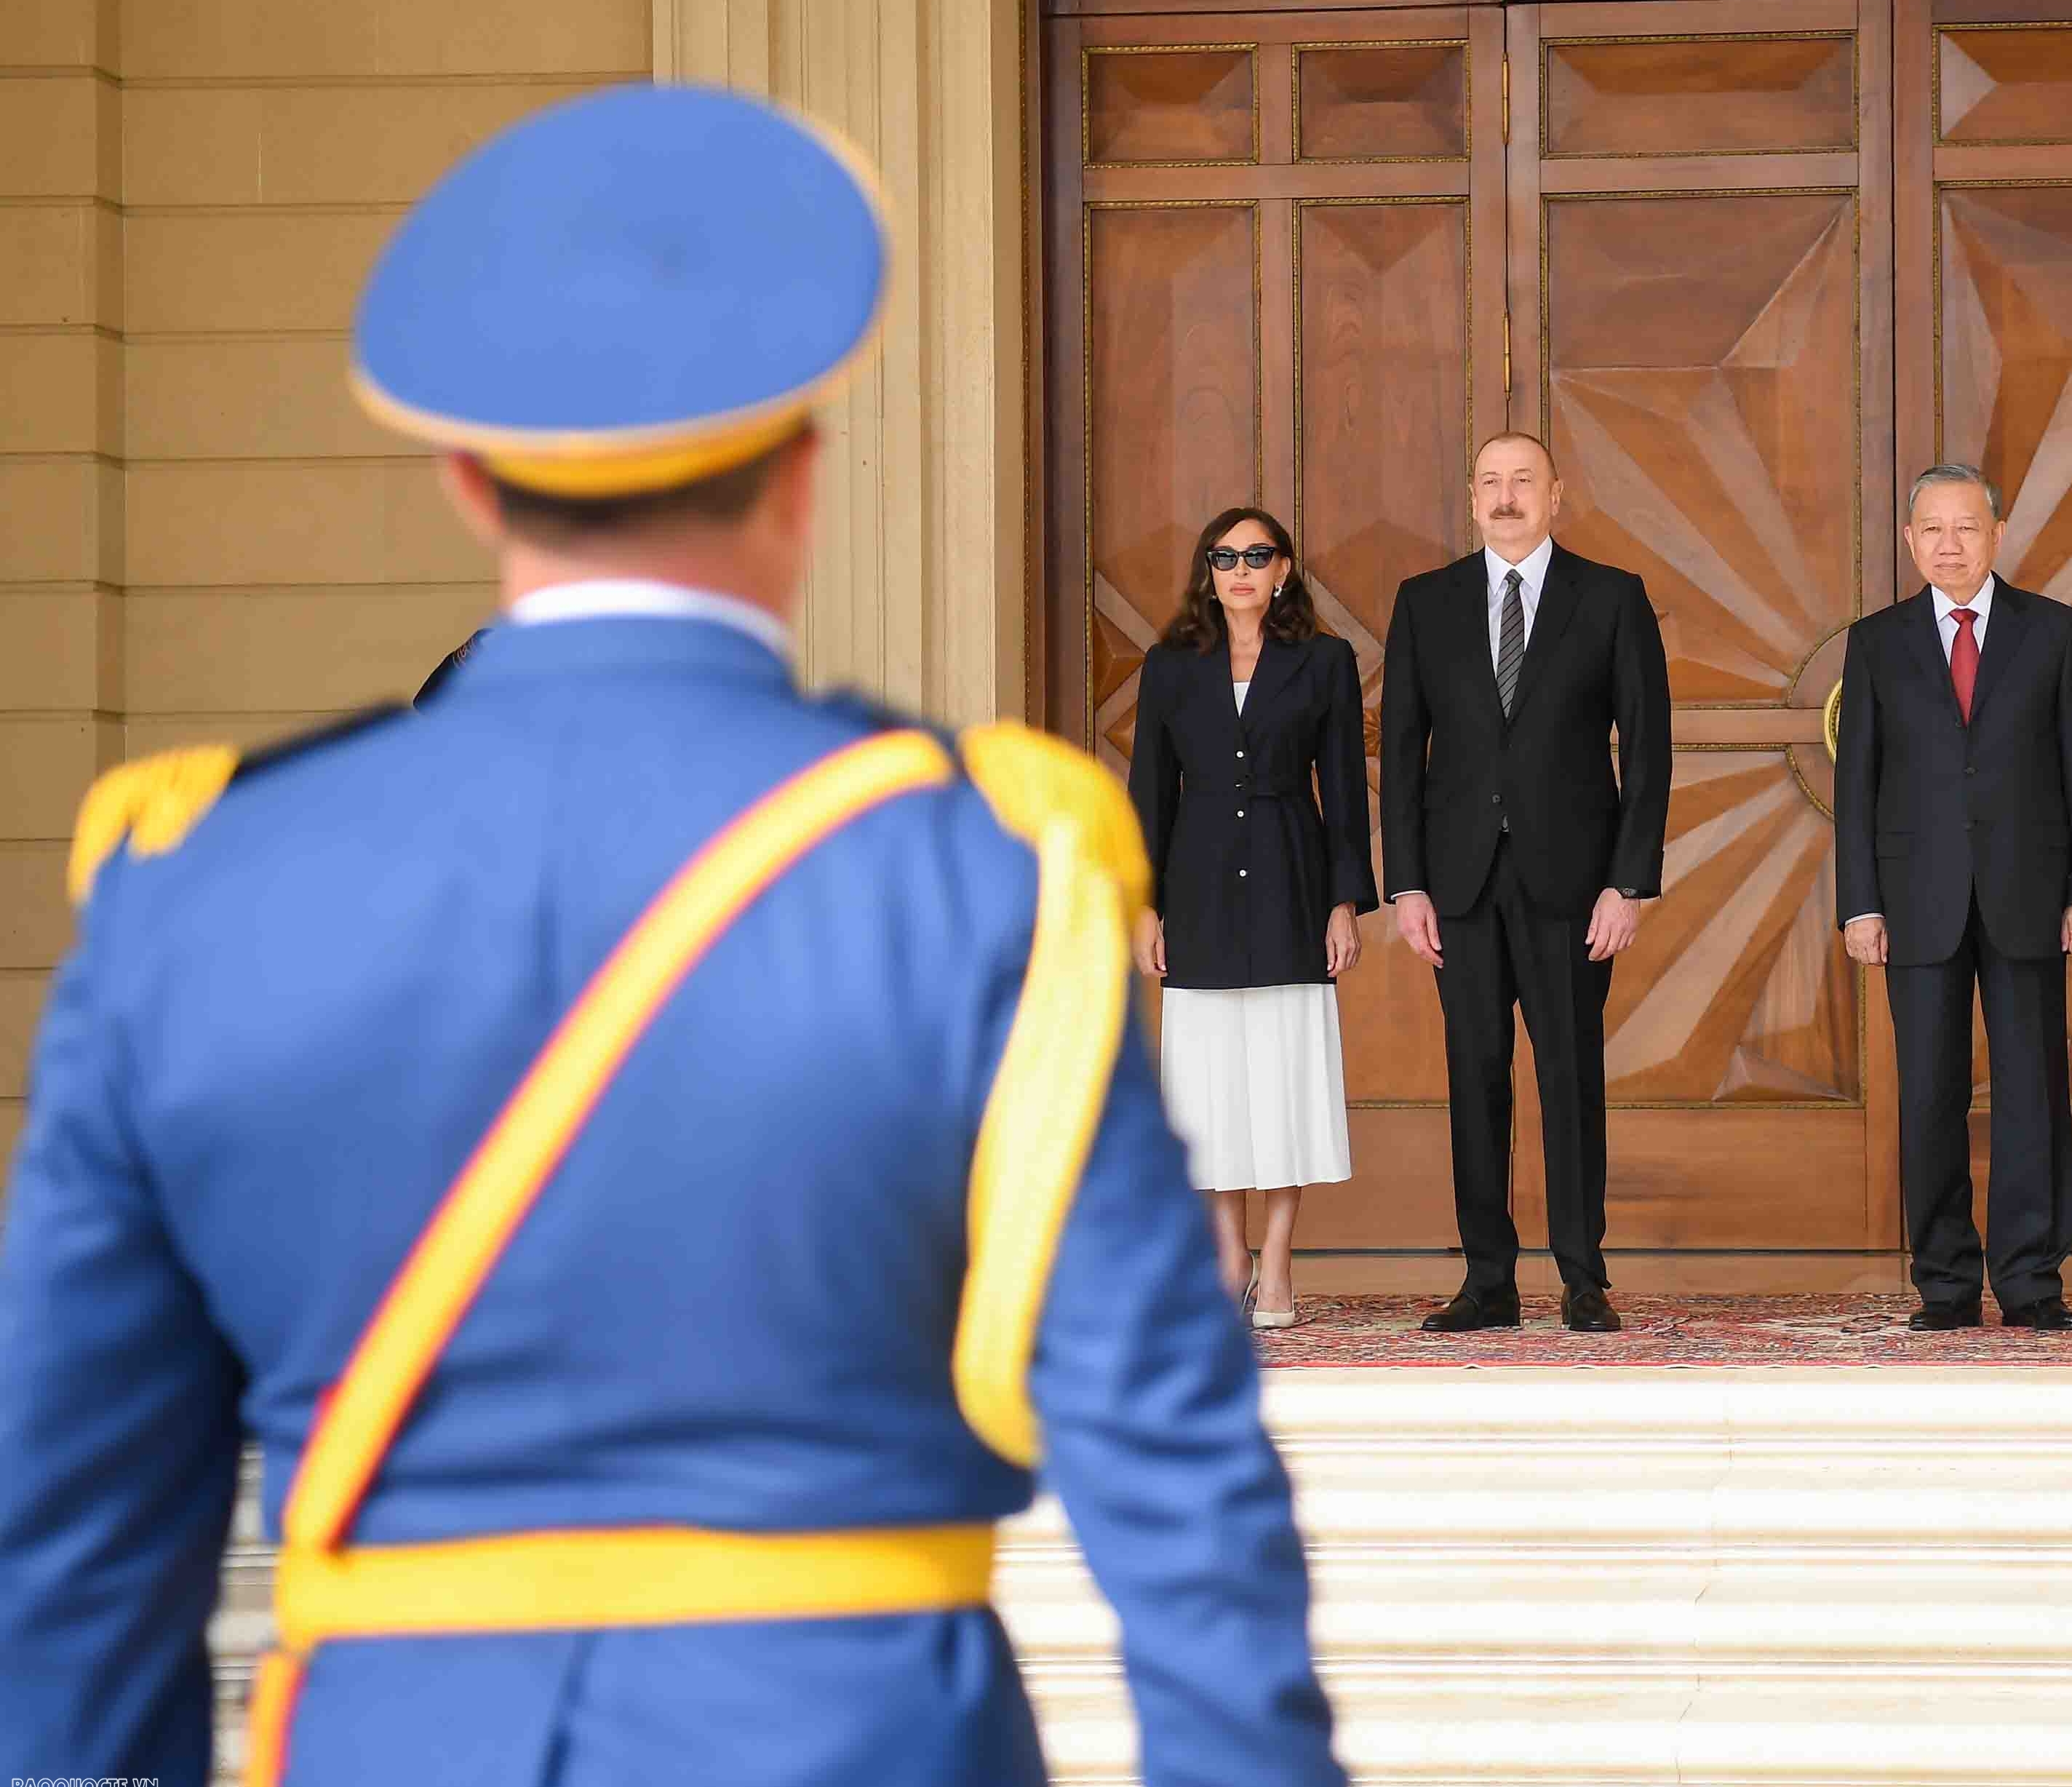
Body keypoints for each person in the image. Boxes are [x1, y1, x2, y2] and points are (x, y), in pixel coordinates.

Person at [0, 87, 1343, 1787]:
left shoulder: (198, 877)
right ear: (803, 473)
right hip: (856, 1732)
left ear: (467, 479)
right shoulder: (974, 867)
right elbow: (1172, 1463)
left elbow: (78, 1520)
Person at [1379, 431, 1671, 1334]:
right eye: (1491, 483)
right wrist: (1407, 886)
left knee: (1570, 1072)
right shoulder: (1425, 603)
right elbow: (1397, 754)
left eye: (1524, 482)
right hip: (1458, 884)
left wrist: (1629, 884)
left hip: (1576, 884)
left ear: (1557, 495)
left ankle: (1585, 1275)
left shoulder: (1612, 597)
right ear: (1471, 498)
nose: (1507, 498)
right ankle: (1488, 1278)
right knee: (1476, 1075)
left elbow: (1648, 749)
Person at [1833, 463, 2072, 1332]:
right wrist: (1860, 904)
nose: (1949, 544)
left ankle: (2033, 1281)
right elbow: (1860, 787)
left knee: (2033, 1090)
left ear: (1997, 534)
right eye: (1932, 529)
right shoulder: (1876, 641)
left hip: (2030, 894)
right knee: (1929, 1095)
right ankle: (1946, 1283)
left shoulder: (2054, 631)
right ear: (1911, 540)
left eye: (1966, 527)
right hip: (1915, 902)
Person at [1129, 506, 1376, 1330]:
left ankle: (1277, 1257)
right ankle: (1226, 1252)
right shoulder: (1170, 667)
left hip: (1290, 878)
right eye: (1224, 555)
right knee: (1207, 1081)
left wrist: (1344, 900)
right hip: (1195, 883)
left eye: (1257, 555)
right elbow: (1148, 797)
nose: (1240, 568)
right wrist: (1144, 905)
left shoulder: (1325, 662)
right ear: (1209, 570)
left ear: (1283, 570)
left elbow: (1343, 789)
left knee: (1283, 1076)